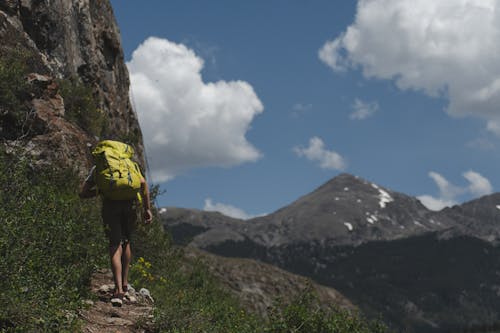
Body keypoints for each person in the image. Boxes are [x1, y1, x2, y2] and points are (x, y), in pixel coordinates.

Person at [79, 160, 153, 307]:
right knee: (126, 241)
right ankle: (125, 284)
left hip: (110, 205)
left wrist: (101, 191)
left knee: (114, 244)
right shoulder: (130, 165)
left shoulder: (99, 167)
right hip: (130, 205)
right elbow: (143, 184)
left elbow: (83, 193)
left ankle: (118, 290)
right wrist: (147, 209)